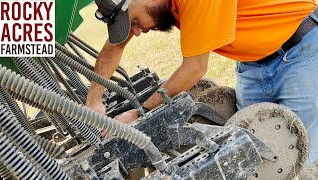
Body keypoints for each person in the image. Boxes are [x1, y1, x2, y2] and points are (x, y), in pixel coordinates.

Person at [87, 0, 318, 164]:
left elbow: (194, 68)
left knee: (293, 156)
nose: (136, 32)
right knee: (255, 158)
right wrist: (93, 102)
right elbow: (114, 48)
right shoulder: (150, 5)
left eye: (135, 21)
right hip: (251, 65)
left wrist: (138, 114)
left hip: (300, 52)